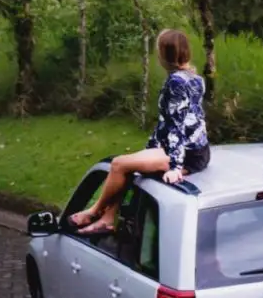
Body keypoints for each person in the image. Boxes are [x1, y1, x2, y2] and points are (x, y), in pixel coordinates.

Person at [69, 28, 210, 235]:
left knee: (118, 165)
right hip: (198, 150)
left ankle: (95, 210)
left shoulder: (176, 82)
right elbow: (185, 120)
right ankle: (108, 218)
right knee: (128, 166)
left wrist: (175, 166)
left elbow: (178, 125)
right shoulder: (195, 78)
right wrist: (152, 148)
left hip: (184, 154)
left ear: (164, 55)